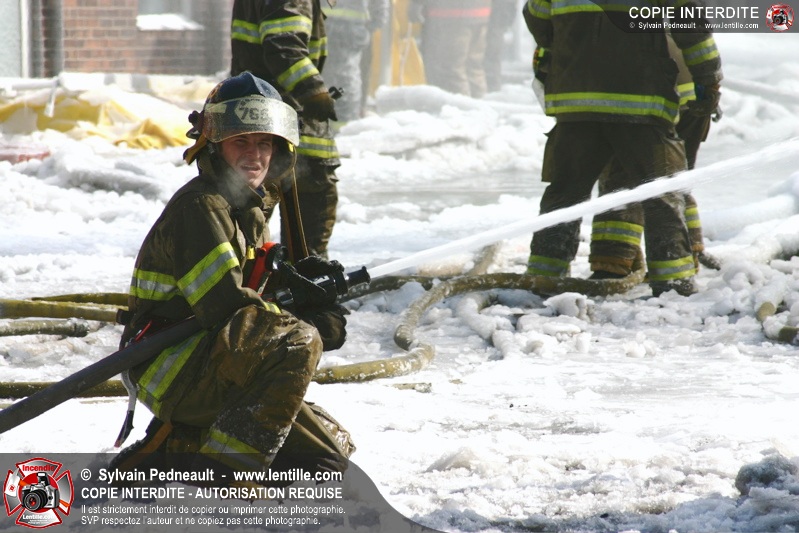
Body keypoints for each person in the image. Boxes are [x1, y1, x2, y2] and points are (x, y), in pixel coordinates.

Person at [110, 72, 353, 479]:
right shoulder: (201, 207)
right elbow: (228, 309)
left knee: (329, 452)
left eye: (264, 143)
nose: (254, 155)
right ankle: (224, 474)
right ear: (215, 146)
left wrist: (301, 289)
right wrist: (305, 322)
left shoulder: (245, 209)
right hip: (172, 366)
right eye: (241, 141)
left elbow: (251, 295)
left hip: (210, 356)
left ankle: (177, 447)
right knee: (297, 340)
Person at [522, 1, 722, 297]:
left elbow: (537, 18)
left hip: (575, 102)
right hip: (640, 102)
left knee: (564, 194)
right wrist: (708, 81)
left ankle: (544, 278)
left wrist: (574, 45)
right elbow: (690, 25)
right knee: (661, 194)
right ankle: (674, 284)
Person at [589, 33, 723, 280]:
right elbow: (701, 41)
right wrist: (711, 86)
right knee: (676, 180)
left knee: (622, 180)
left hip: (646, 97)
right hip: (693, 92)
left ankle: (614, 262)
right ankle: (689, 253)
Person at [231, 0, 340, 259]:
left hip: (259, 117)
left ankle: (250, 274)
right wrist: (313, 91)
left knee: (246, 222)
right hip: (286, 120)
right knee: (304, 222)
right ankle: (303, 275)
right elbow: (284, 45)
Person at [323, 0, 390, 122]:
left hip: (322, 21)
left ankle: (323, 122)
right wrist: (376, 20)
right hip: (352, 25)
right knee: (346, 77)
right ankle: (345, 122)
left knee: (319, 74)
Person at [409, 0, 493, 98]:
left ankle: (461, 105)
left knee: (451, 71)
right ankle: (478, 103)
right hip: (480, 11)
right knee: (473, 68)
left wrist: (418, 2)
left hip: (450, 13)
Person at [484, 0, 519, 93]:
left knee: (491, 55)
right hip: (501, 10)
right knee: (492, 55)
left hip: (498, 11)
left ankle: (491, 89)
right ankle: (492, 88)